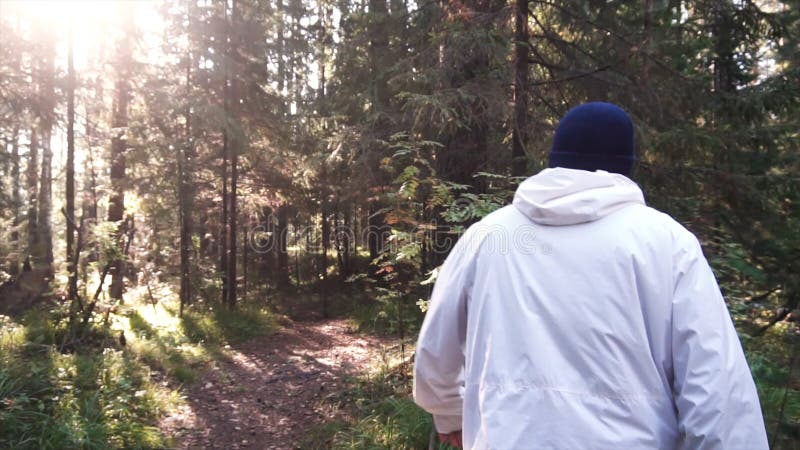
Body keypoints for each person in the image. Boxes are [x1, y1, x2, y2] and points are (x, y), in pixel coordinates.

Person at [412, 102, 768, 449]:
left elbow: (436, 351)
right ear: (626, 165)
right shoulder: (667, 243)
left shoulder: (488, 236)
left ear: (554, 160)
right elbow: (717, 392)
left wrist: (449, 413)